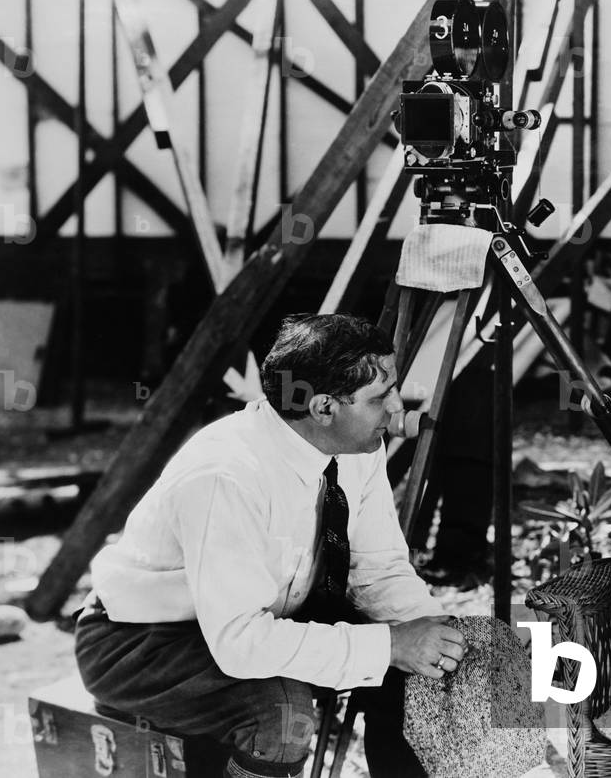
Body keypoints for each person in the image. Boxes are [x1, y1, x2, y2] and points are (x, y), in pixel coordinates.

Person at [74, 314, 467, 778]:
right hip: (142, 640)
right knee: (282, 712)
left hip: (259, 617)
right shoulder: (227, 474)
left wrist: (435, 637)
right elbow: (241, 642)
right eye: (381, 397)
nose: (398, 408)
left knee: (431, 671)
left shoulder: (356, 447)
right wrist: (389, 644)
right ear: (323, 408)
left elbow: (377, 570)